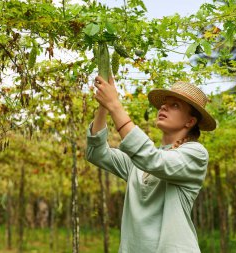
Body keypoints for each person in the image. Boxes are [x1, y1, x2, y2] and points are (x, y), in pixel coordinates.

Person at [85, 75, 216, 253]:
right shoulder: (137, 162)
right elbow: (97, 153)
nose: (163, 107)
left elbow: (152, 160)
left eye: (175, 105)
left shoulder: (195, 154)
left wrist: (115, 105)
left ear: (190, 121)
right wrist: (104, 106)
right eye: (165, 103)